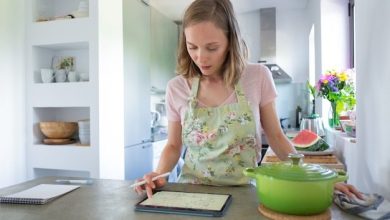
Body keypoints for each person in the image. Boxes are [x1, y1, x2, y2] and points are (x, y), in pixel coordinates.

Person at [135, 0, 363, 200]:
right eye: (192, 47)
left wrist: (318, 179)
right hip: (193, 194)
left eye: (212, 48)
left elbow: (275, 136)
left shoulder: (257, 77)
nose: (200, 57)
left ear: (230, 42)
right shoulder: (177, 87)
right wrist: (158, 173)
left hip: (244, 195)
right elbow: (174, 145)